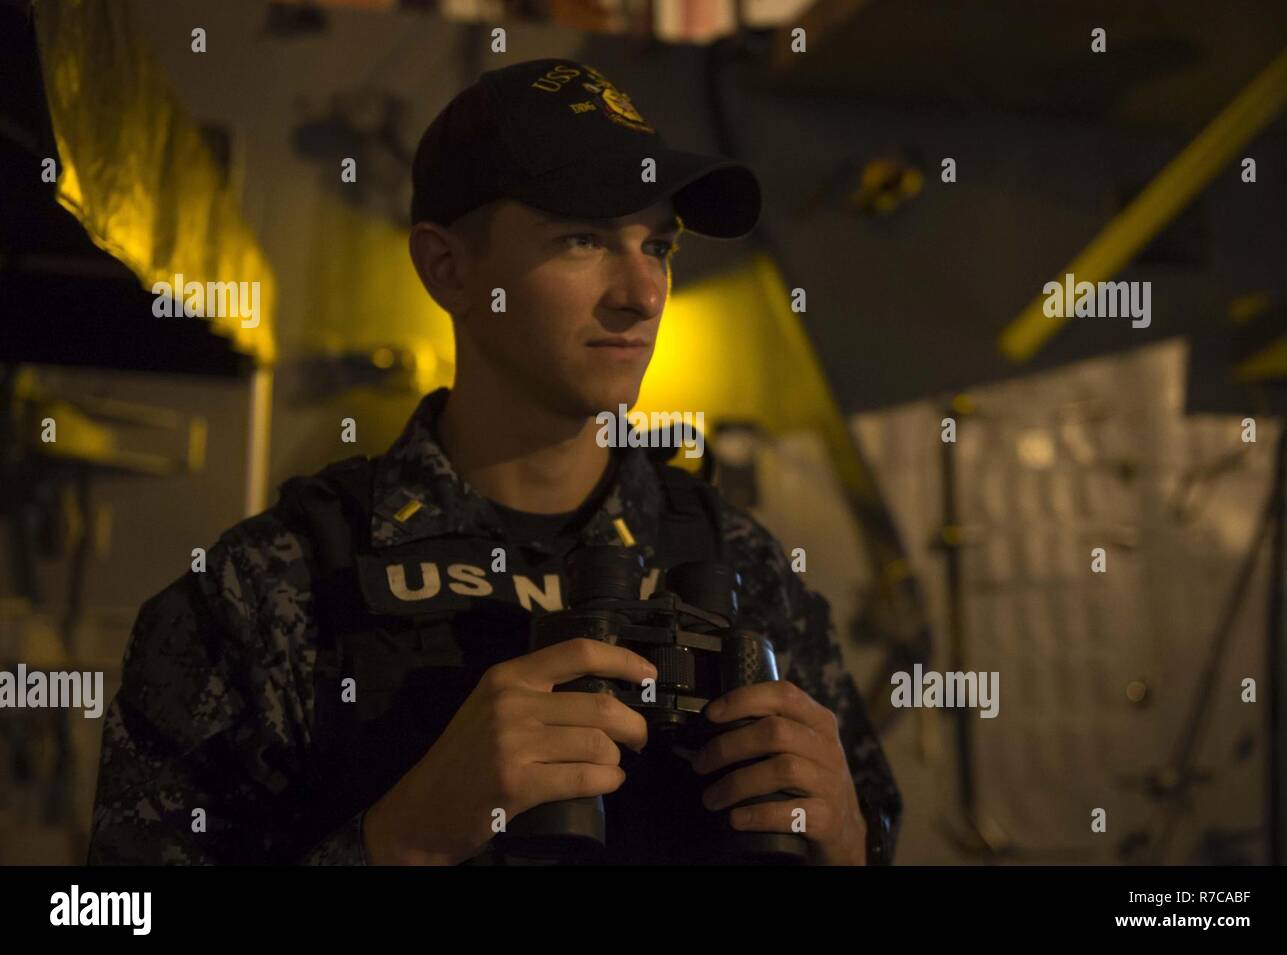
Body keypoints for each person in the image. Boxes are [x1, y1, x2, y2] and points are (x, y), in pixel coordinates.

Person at [87, 58, 902, 866]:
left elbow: (867, 835)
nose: (644, 293)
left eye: (657, 245)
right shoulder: (268, 591)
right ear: (448, 268)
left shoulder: (749, 570)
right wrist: (399, 840)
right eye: (582, 238)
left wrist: (850, 845)